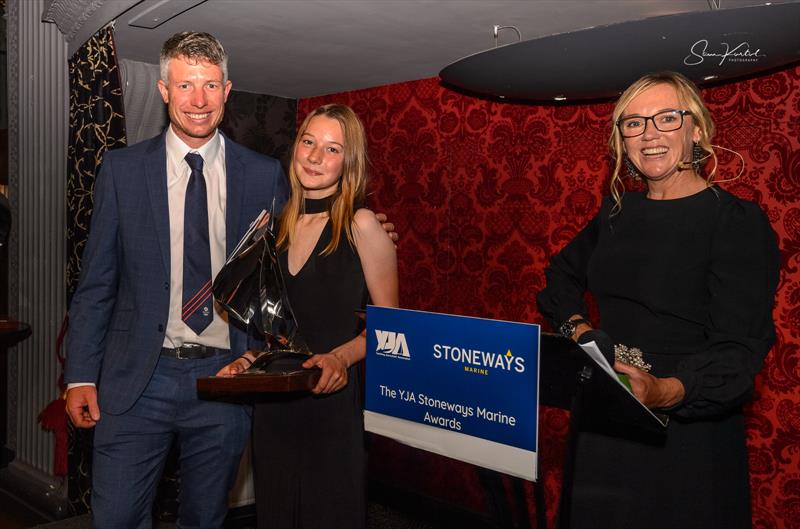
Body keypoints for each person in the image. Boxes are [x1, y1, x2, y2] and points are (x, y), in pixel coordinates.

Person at [63, 33, 395, 528]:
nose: (198, 100)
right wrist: (80, 375)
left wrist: (372, 228)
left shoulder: (264, 176)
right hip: (137, 380)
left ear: (227, 90)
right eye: (186, 85)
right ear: (163, 91)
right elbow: (97, 284)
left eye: (210, 85)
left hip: (227, 378)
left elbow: (313, 242)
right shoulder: (122, 170)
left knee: (207, 517)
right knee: (115, 518)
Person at [537, 71, 779, 529]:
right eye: (633, 123)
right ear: (620, 140)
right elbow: (559, 277)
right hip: (605, 411)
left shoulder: (735, 222)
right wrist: (580, 330)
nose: (649, 134)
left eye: (667, 118)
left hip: (685, 434)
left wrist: (663, 390)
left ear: (698, 130)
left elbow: (739, 349)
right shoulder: (615, 212)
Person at [217, 104, 398, 529]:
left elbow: (391, 326)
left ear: (348, 162)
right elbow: (275, 329)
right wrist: (248, 362)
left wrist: (342, 358)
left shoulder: (363, 225)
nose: (315, 158)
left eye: (332, 149)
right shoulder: (275, 228)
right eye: (308, 142)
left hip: (331, 403)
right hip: (276, 405)